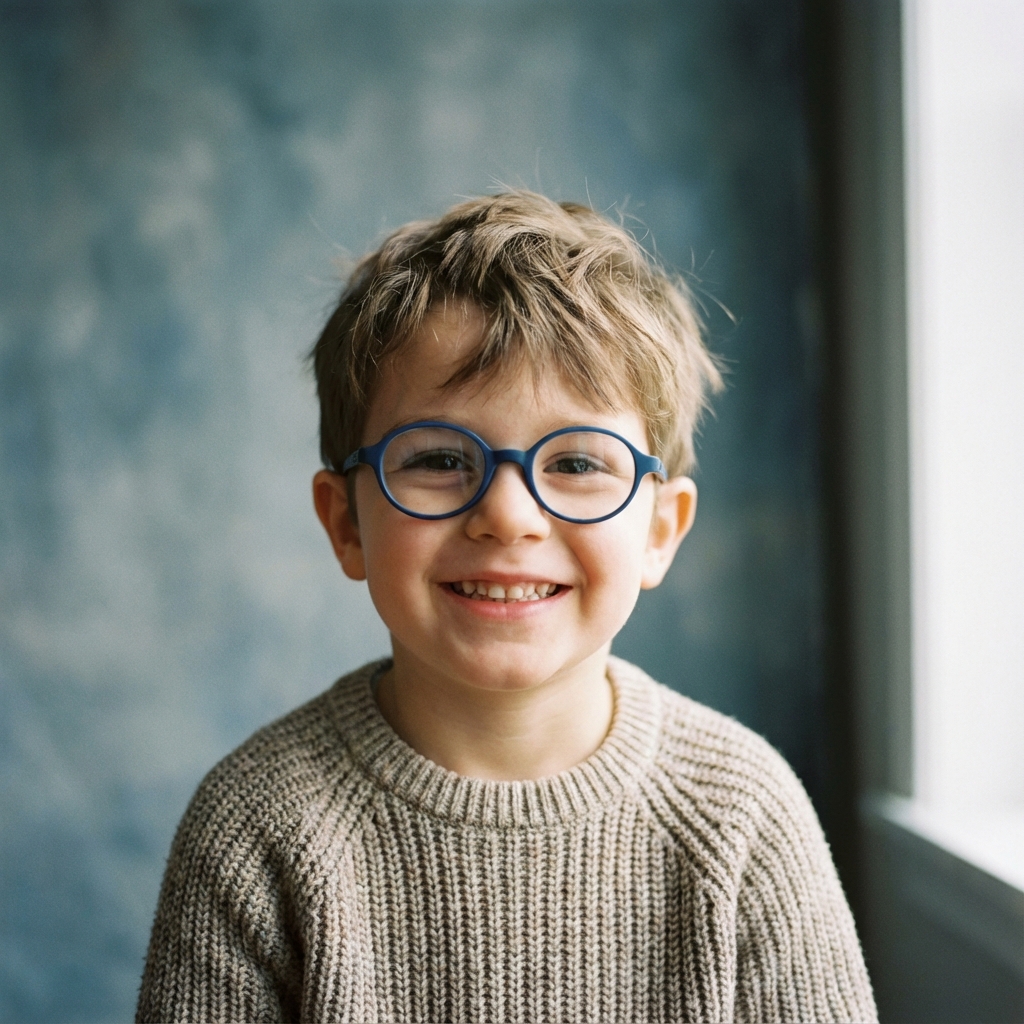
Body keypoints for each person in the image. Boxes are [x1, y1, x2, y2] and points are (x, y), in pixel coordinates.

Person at [136, 191, 876, 1023]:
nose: (508, 516)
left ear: (659, 531)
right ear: (346, 523)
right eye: (440, 458)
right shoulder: (256, 826)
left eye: (577, 464)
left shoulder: (742, 815)